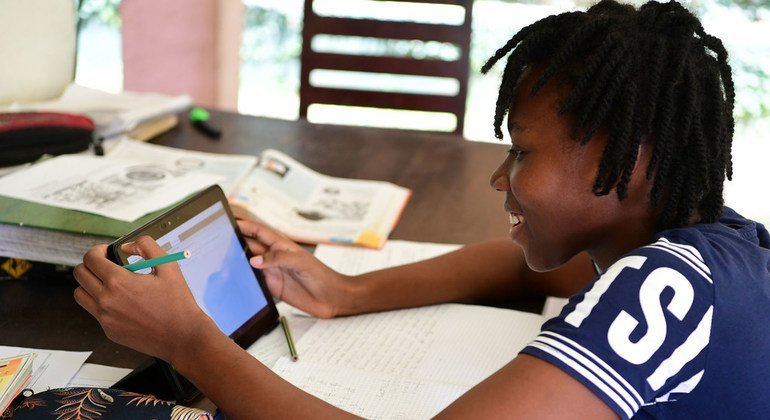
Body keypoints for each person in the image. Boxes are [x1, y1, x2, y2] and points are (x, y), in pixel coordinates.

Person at [69, 0, 770, 418]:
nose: (501, 177)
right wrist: (348, 292)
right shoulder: (704, 249)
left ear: (633, 159)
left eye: (522, 152)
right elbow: (531, 274)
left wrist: (192, 344)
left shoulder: (670, 287)